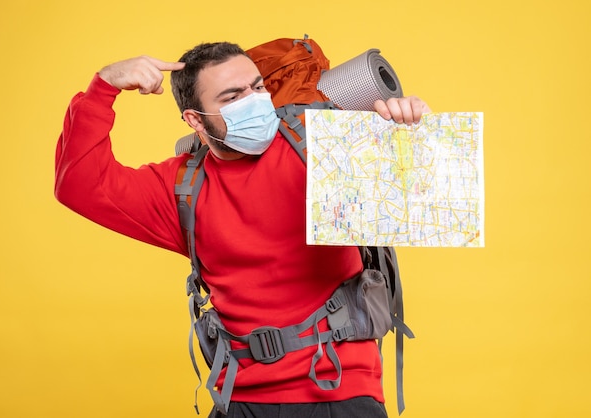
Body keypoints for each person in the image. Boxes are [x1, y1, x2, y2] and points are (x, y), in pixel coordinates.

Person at [54, 41, 431, 418]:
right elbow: (80, 184)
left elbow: (425, 196)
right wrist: (105, 85)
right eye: (233, 96)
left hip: (341, 393)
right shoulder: (182, 187)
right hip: (240, 400)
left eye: (258, 87)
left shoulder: (323, 149)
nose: (254, 101)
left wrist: (408, 132)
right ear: (196, 120)